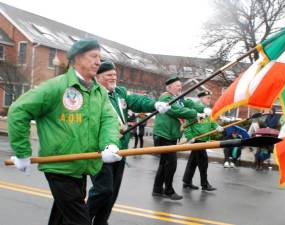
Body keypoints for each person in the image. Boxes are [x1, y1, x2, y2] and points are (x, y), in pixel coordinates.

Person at [7, 38, 122, 225]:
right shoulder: (56, 87)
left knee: (61, 218)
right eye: (93, 56)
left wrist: (109, 144)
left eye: (99, 57)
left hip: (82, 166)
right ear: (77, 58)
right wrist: (22, 152)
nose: (98, 62)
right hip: (59, 167)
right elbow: (19, 111)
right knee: (80, 221)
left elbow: (108, 120)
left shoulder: (99, 92)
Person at [87, 60, 170, 225]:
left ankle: (101, 222)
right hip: (100, 151)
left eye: (115, 75)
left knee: (113, 193)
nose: (113, 78)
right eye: (109, 75)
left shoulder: (120, 93)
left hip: (121, 150)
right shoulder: (92, 94)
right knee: (103, 190)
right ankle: (82, 220)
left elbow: (137, 101)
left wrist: (154, 104)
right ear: (97, 77)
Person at [152, 76, 206, 200]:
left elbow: (190, 103)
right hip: (163, 135)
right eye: (177, 85)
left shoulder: (178, 98)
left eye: (180, 85)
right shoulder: (166, 98)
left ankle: (157, 189)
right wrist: (195, 114)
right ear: (169, 87)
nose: (180, 87)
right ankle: (169, 191)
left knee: (164, 164)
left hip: (170, 135)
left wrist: (204, 109)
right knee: (171, 163)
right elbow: (177, 111)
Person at [182, 91, 224, 191]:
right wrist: (189, 137)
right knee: (203, 162)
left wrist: (217, 126)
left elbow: (211, 122)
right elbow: (187, 124)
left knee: (193, 162)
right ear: (201, 98)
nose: (209, 100)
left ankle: (187, 182)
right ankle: (205, 184)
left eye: (210, 98)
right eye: (207, 98)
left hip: (203, 140)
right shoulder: (195, 109)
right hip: (197, 140)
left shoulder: (208, 110)